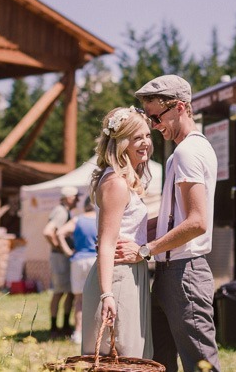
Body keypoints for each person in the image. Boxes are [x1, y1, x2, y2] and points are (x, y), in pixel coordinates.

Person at [115, 74, 220, 372]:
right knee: (159, 362)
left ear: (180, 108)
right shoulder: (184, 151)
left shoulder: (188, 152)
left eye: (156, 117)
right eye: (150, 120)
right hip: (171, 272)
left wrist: (145, 250)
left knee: (201, 365)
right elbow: (176, 218)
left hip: (184, 272)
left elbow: (197, 222)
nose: (155, 126)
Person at [82, 106, 154, 359]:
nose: (146, 143)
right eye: (137, 138)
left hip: (134, 273)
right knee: (121, 354)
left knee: (133, 354)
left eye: (147, 135)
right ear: (122, 142)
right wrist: (107, 294)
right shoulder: (116, 183)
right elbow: (106, 243)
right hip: (118, 276)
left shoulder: (126, 180)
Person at [58, 195, 98, 343]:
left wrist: (68, 251)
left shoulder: (77, 219)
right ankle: (95, 333)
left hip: (78, 260)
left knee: (79, 299)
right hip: (96, 259)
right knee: (98, 297)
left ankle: (78, 333)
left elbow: (60, 232)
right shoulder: (100, 218)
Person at [43, 185, 79, 337]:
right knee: (60, 292)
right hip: (60, 258)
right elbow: (48, 232)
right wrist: (61, 249)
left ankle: (62, 325)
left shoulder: (63, 211)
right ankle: (55, 327)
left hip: (60, 257)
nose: (78, 200)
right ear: (69, 198)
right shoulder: (61, 211)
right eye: (76, 197)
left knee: (67, 292)